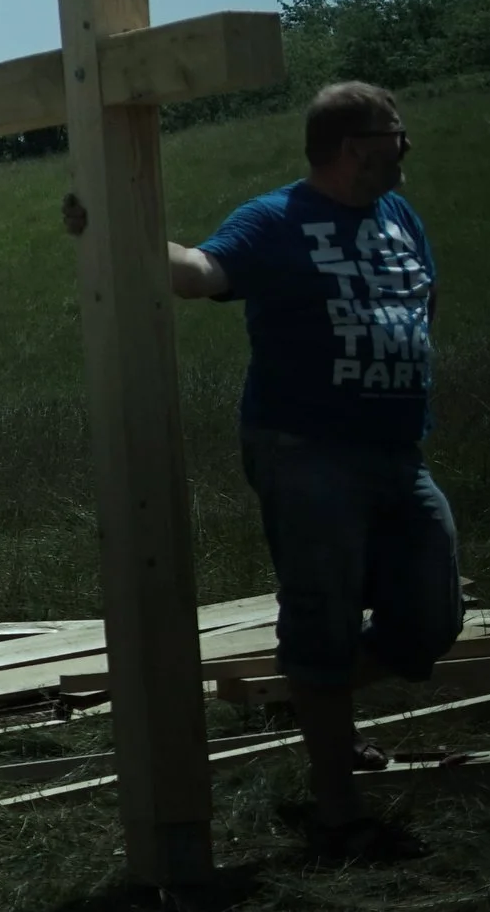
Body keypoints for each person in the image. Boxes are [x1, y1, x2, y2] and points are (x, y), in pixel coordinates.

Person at [87, 79, 460, 839]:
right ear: (354, 149)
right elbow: (199, 274)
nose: (407, 148)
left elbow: (424, 302)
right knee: (322, 618)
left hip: (398, 451)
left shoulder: (399, 216)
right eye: (396, 135)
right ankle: (336, 808)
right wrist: (111, 227)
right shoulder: (276, 219)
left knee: (431, 618)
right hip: (307, 450)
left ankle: (315, 698)